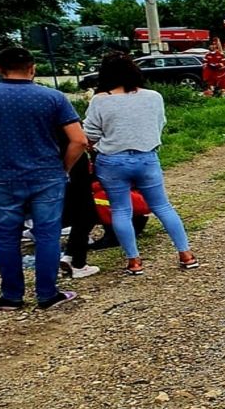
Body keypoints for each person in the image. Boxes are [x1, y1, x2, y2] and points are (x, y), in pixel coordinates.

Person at [0, 47, 87, 310]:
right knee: (47, 235)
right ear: (33, 68)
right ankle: (48, 295)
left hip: (2, 176)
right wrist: (64, 168)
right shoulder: (54, 97)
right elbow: (79, 140)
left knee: (6, 237)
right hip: (47, 175)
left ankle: (11, 297)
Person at [84, 53, 198, 275]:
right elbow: (160, 123)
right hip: (147, 157)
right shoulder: (153, 96)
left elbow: (90, 134)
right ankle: (186, 254)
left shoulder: (100, 100)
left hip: (112, 162)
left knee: (120, 210)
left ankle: (134, 261)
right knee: (163, 206)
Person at [59, 153, 101, 279]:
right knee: (86, 214)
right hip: (73, 164)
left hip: (55, 166)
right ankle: (78, 264)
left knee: (79, 212)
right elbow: (79, 141)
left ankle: (70, 254)